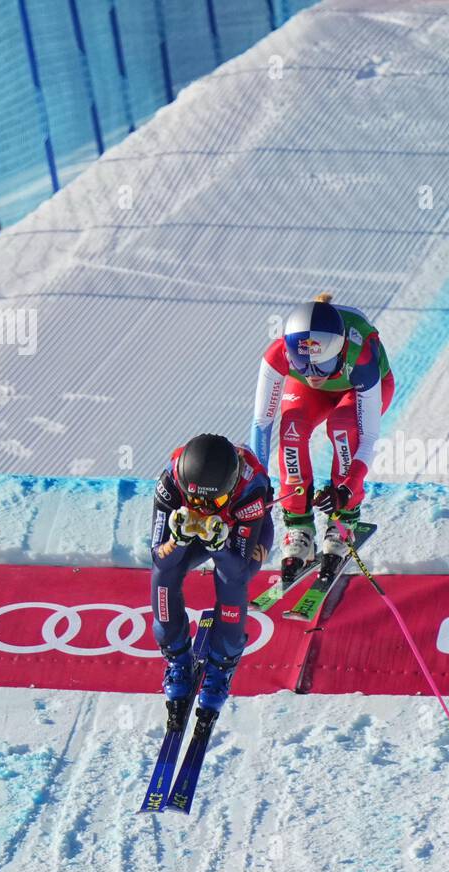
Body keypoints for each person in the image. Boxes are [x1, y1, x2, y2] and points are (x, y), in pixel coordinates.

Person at [248, 293, 393, 583]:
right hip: (312, 393)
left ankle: (344, 520)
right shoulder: (278, 354)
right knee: (291, 428)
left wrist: (346, 491)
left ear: (339, 352)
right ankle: (299, 527)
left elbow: (368, 438)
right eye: (302, 365)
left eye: (322, 365)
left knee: (343, 427)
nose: (314, 374)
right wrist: (258, 483)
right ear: (290, 353)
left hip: (357, 386)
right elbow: (262, 423)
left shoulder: (361, 354)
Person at [149, 433, 273, 727]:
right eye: (194, 499)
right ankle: (178, 658)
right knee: (164, 574)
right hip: (195, 534)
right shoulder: (170, 483)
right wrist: (176, 541)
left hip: (238, 530)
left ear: (229, 488)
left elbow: (237, 571)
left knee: (230, 581)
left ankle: (222, 665)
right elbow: (158, 556)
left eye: (213, 500)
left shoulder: (250, 486)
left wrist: (220, 546)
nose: (204, 507)